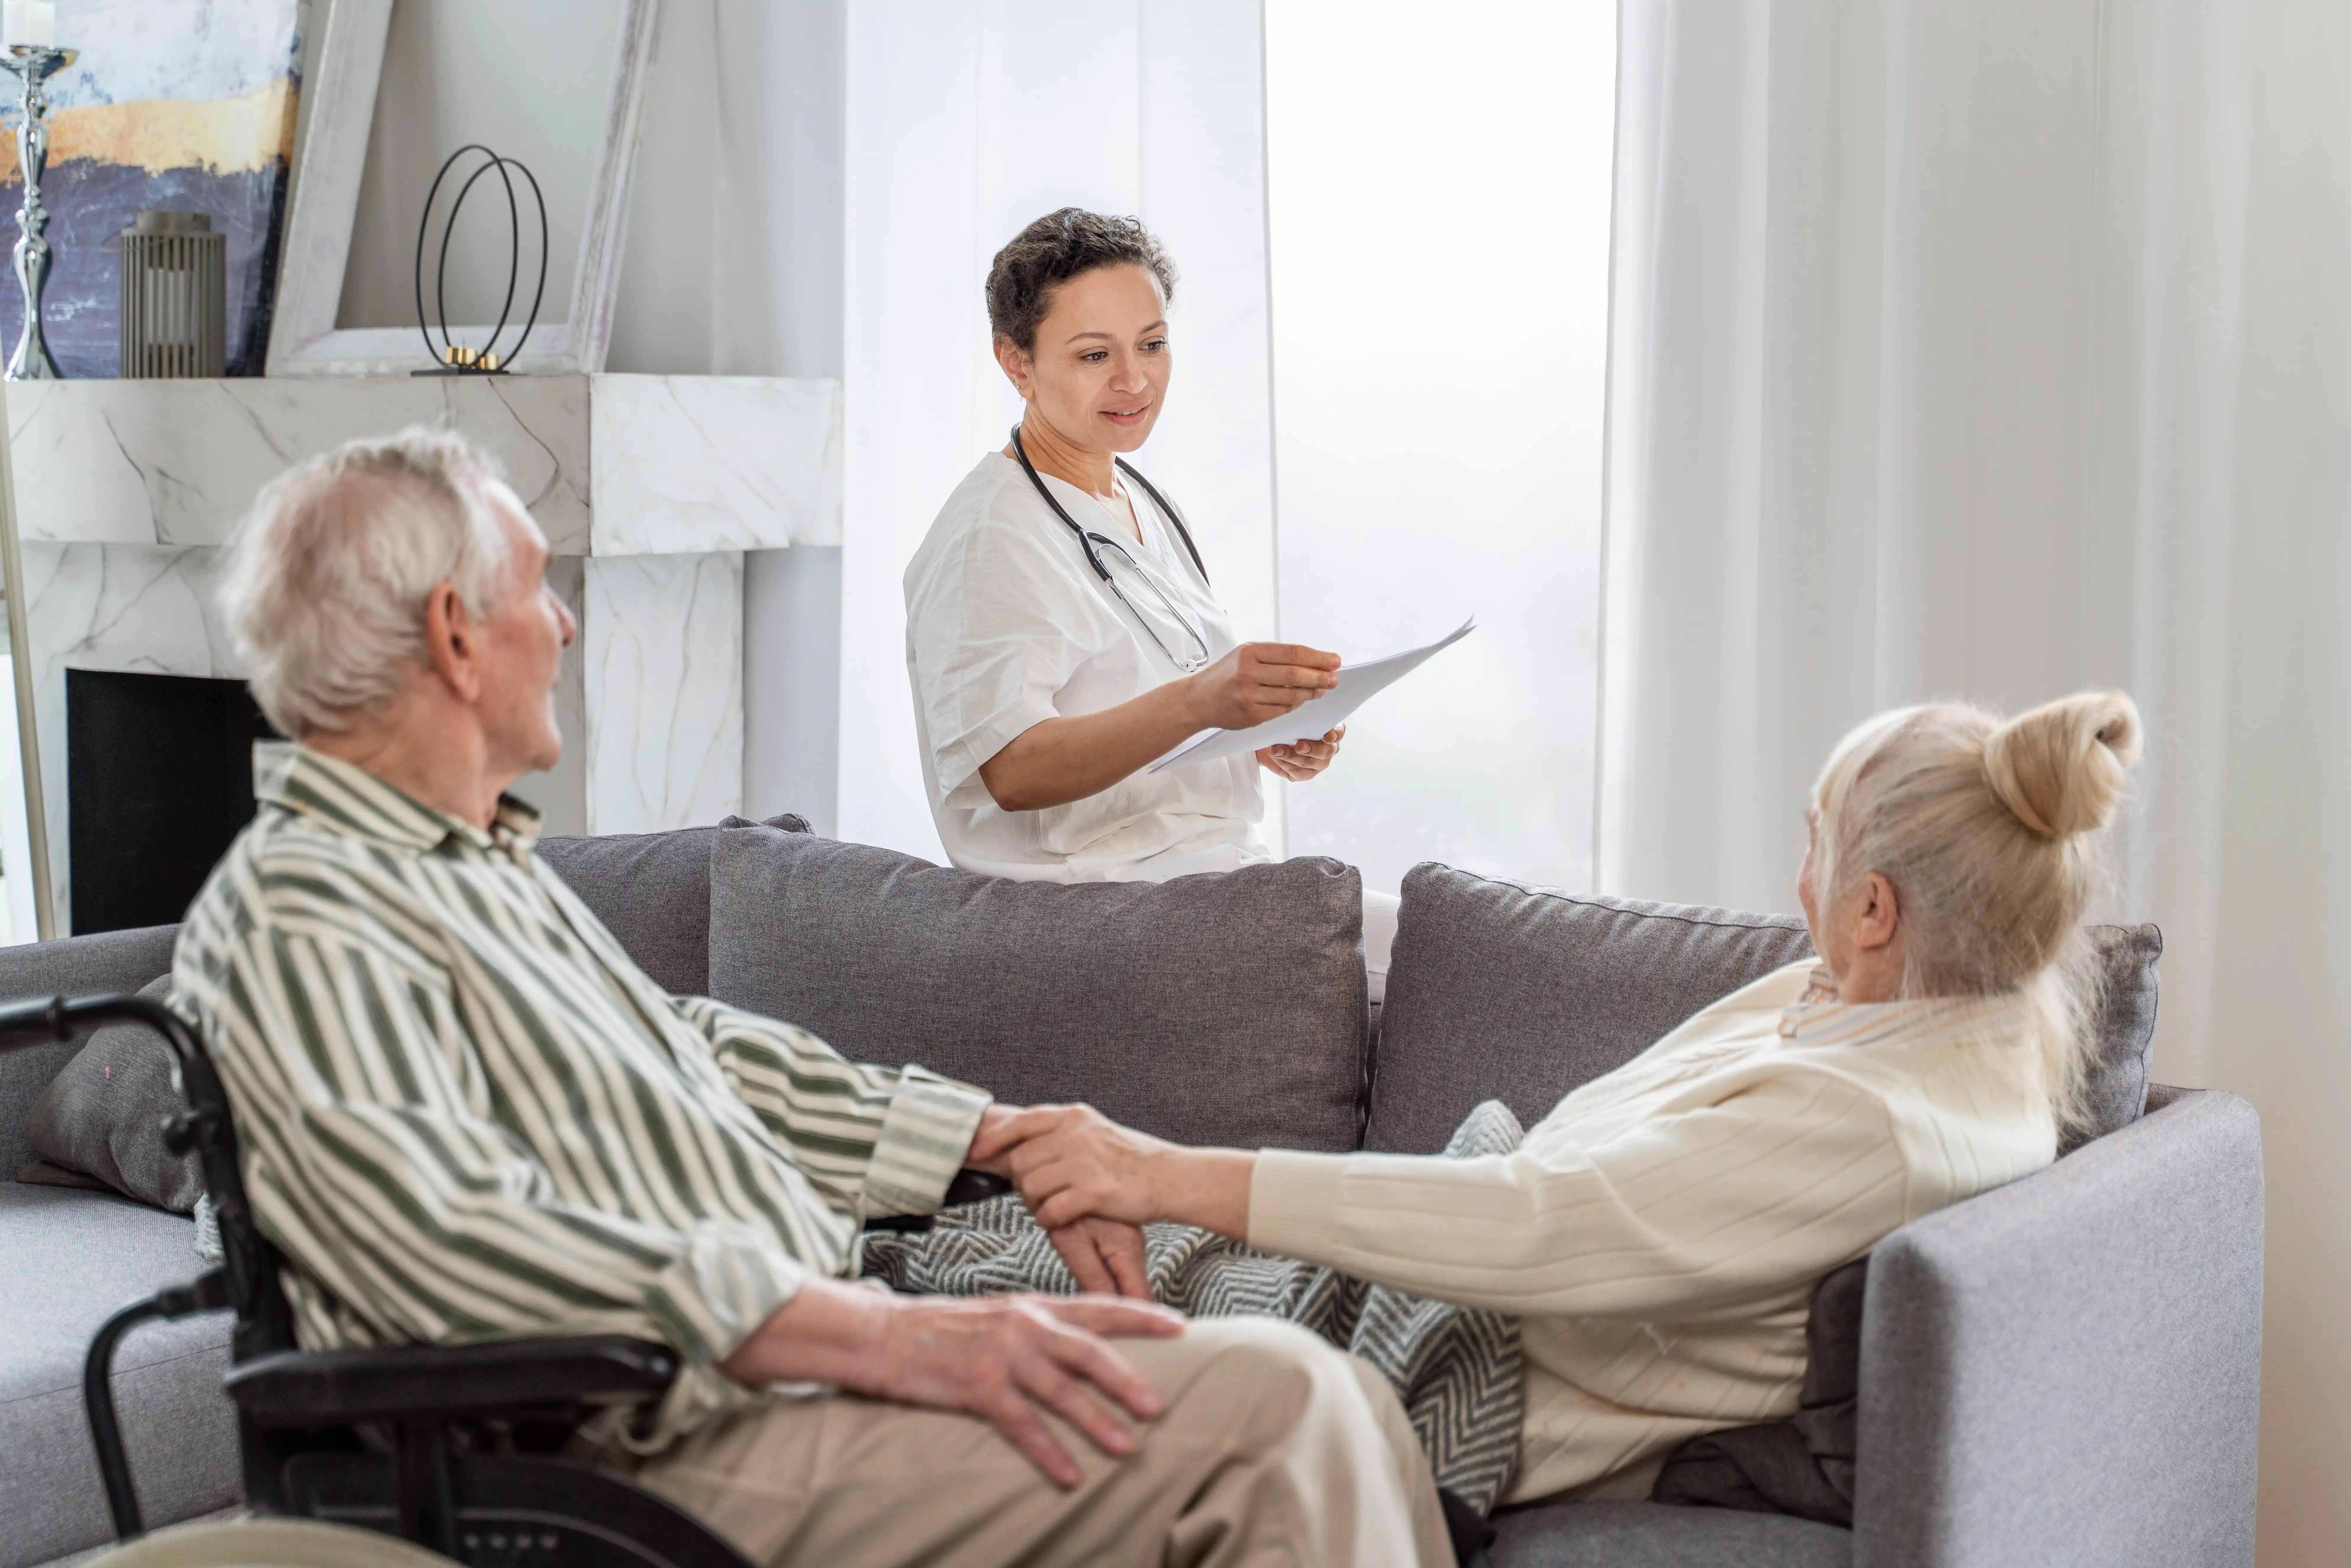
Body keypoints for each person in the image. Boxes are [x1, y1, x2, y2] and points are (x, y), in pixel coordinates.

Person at [173, 427, 1453, 1568]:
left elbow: (691, 1053)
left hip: (751, 1390)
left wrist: (990, 1136)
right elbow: (449, 1238)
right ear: (456, 634)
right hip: (622, 1456)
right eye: (538, 591)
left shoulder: (466, 871)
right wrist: (889, 1341)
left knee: (1343, 1402)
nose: (563, 623)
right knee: (1279, 1412)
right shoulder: (306, 909)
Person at [976, 690, 2143, 1506]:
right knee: (1002, 1240)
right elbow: (1573, 1160)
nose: (1800, 879)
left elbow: (1536, 1223)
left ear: (1877, 908)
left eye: (1814, 843)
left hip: (1464, 1363)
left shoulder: (1874, 1127)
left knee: (996, 1311)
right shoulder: (1885, 1010)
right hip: (1458, 1273)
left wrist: (1155, 1169)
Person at [901, 209, 1403, 992]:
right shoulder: (991, 536)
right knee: (1468, 967)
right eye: (1095, 354)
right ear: (1016, 363)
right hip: (1108, 918)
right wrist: (1203, 699)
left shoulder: (1132, 497)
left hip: (1206, 882)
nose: (1134, 381)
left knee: (1472, 955)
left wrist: (1266, 732)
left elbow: (1148, 707)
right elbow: (1009, 768)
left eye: (1153, 345)